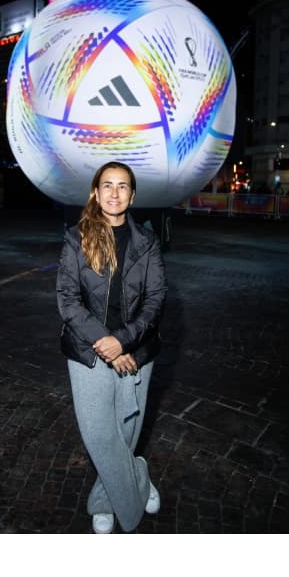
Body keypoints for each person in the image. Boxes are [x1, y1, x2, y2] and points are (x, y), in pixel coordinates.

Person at [57, 161, 166, 534]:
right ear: (96, 192)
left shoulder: (148, 243)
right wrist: (107, 344)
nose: (115, 193)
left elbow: (155, 300)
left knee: (128, 428)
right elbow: (68, 300)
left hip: (138, 350)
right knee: (99, 433)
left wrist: (124, 340)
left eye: (123, 186)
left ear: (132, 195)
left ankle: (104, 500)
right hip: (87, 351)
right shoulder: (76, 237)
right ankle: (135, 484)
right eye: (107, 185)